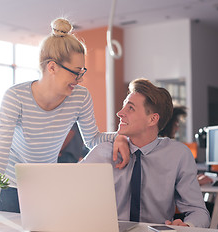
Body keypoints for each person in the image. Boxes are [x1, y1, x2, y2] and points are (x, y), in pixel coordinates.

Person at [0, 17, 129, 213]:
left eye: (82, 72)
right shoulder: (16, 96)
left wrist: (120, 137)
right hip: (8, 184)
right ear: (52, 67)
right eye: (76, 72)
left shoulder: (80, 97)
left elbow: (92, 139)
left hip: (44, 183)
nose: (80, 79)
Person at [81, 78, 210, 228]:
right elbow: (69, 195)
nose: (119, 113)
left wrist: (187, 226)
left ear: (152, 119)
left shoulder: (178, 155)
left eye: (130, 108)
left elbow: (199, 212)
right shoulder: (102, 153)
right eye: (123, 107)